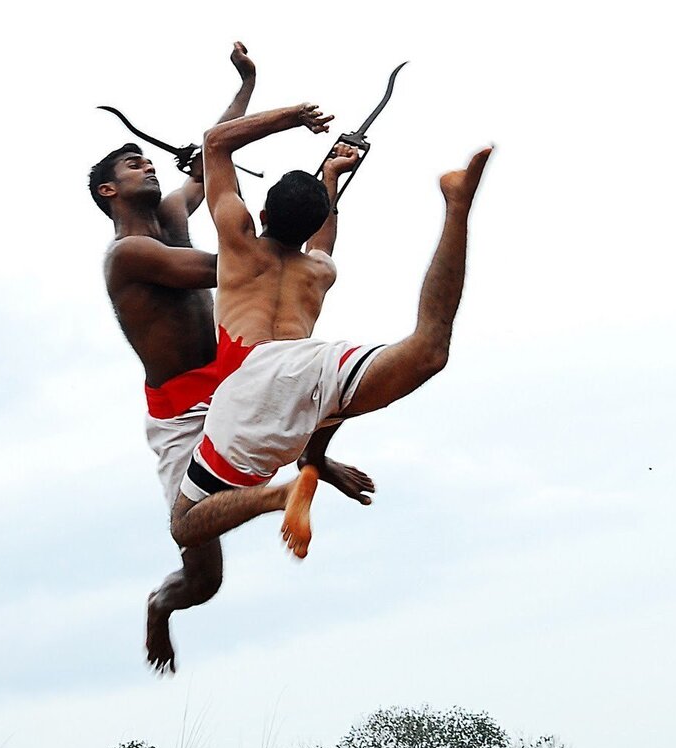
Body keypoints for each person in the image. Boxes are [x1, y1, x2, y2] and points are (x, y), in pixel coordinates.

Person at [90, 50, 373, 673]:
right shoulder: (127, 254)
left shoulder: (169, 215)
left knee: (304, 377)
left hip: (234, 377)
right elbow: (245, 265)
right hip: (180, 412)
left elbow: (212, 153)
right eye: (134, 162)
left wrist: (247, 84)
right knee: (203, 575)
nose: (148, 164)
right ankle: (160, 607)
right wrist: (294, 216)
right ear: (109, 190)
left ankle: (309, 465)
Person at [169, 101, 492, 558]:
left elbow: (215, 142)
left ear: (260, 214)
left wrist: (295, 117)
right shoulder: (320, 270)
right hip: (313, 369)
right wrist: (330, 179)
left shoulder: (239, 242)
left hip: (248, 377)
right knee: (428, 350)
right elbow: (323, 237)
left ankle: (277, 494)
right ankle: (457, 207)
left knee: (185, 526)